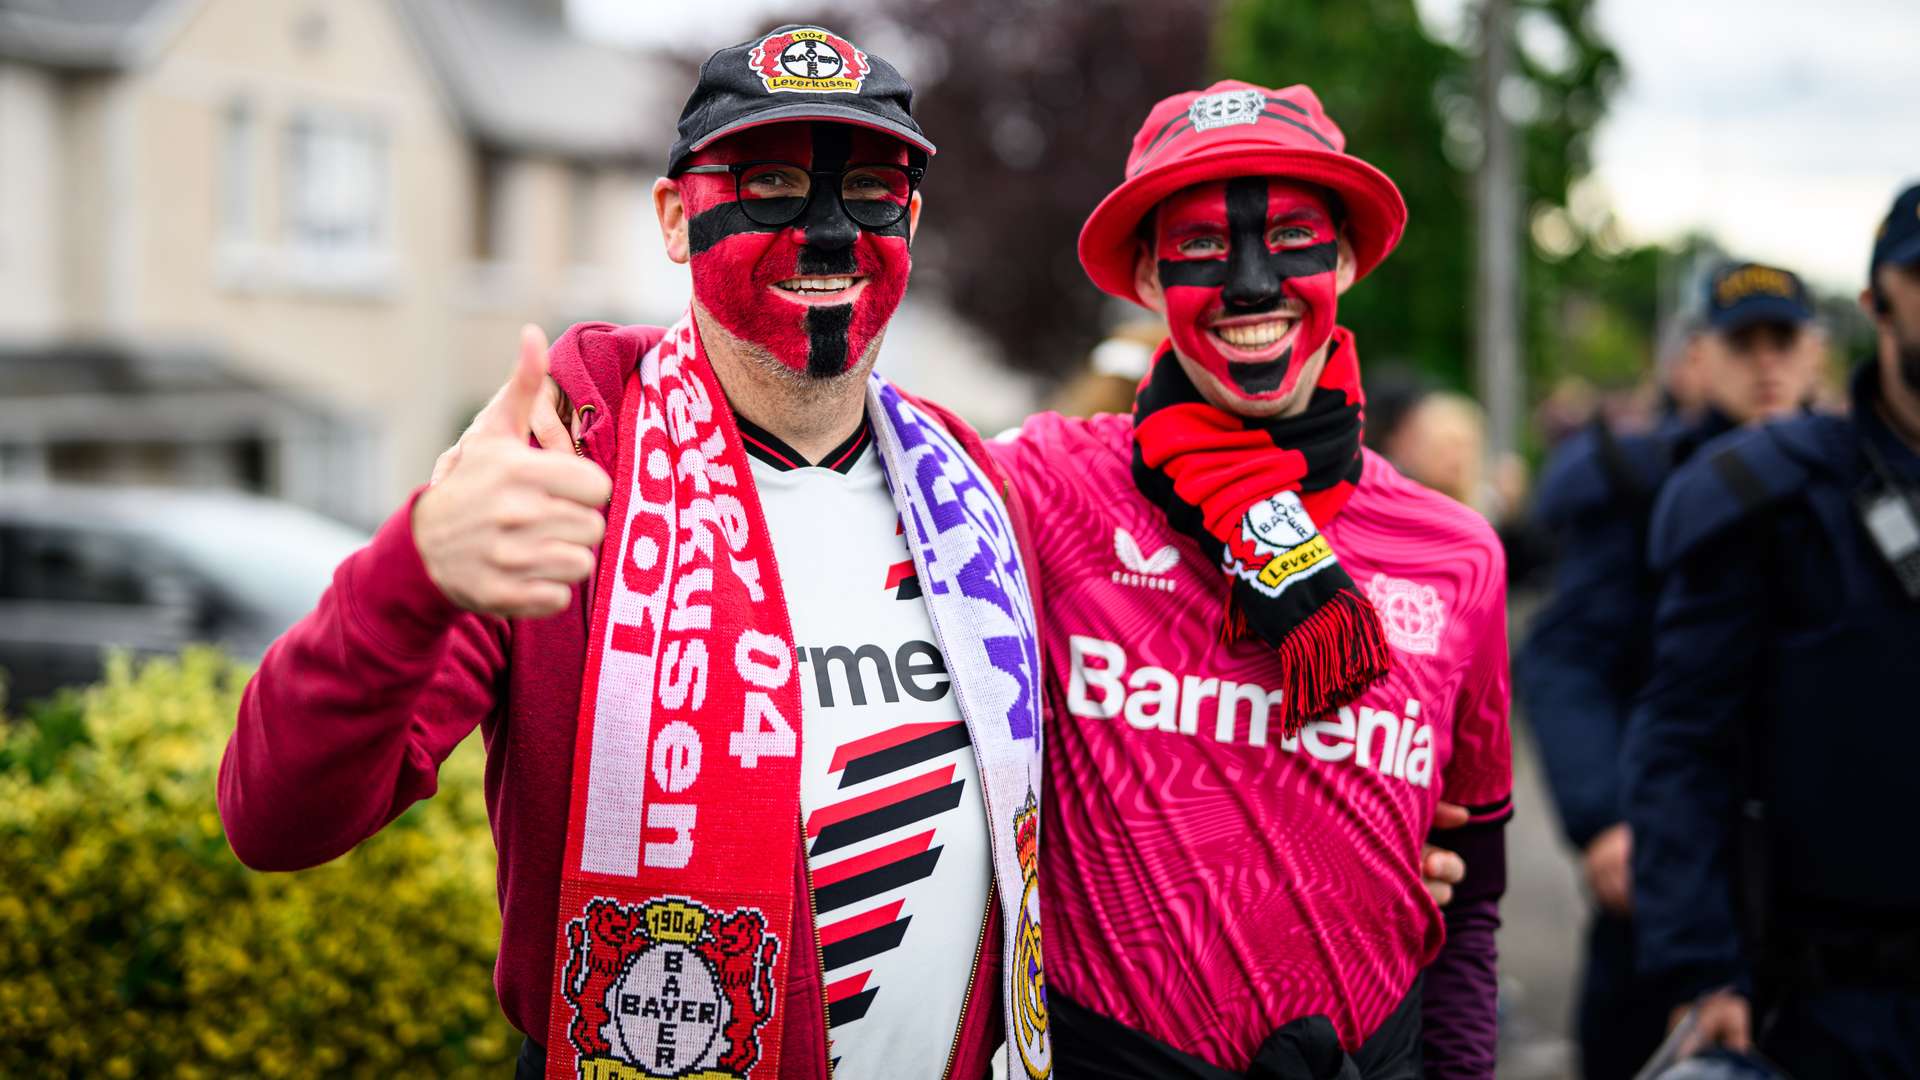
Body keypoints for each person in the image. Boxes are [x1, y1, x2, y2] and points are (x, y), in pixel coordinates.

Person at [219, 27, 1053, 1080]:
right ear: (673, 217)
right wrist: (416, 569)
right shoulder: (561, 474)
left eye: (872, 193)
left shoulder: (973, 492)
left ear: (913, 225)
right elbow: (275, 815)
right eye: (770, 185)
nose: (830, 235)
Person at [991, 81, 1512, 1079]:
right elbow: (841, 451)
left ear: (1350, 258)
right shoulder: (1045, 486)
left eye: (1293, 241)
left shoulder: (1459, 555)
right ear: (1145, 278)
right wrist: (606, 397)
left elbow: (1473, 898)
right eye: (1198, 249)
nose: (1249, 284)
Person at [1623, 184, 1920, 1077]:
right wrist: (1701, 965)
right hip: (1831, 1007)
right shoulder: (1768, 495)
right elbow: (1681, 741)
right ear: (1877, 304)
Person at [1519, 261, 1824, 1079]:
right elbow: (1567, 657)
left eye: (1783, 341)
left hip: (1818, 900)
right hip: (1668, 869)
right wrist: (1607, 818)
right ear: (1698, 356)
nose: (1766, 363)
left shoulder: (1848, 487)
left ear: (1815, 354)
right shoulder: (1638, 487)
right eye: (1741, 342)